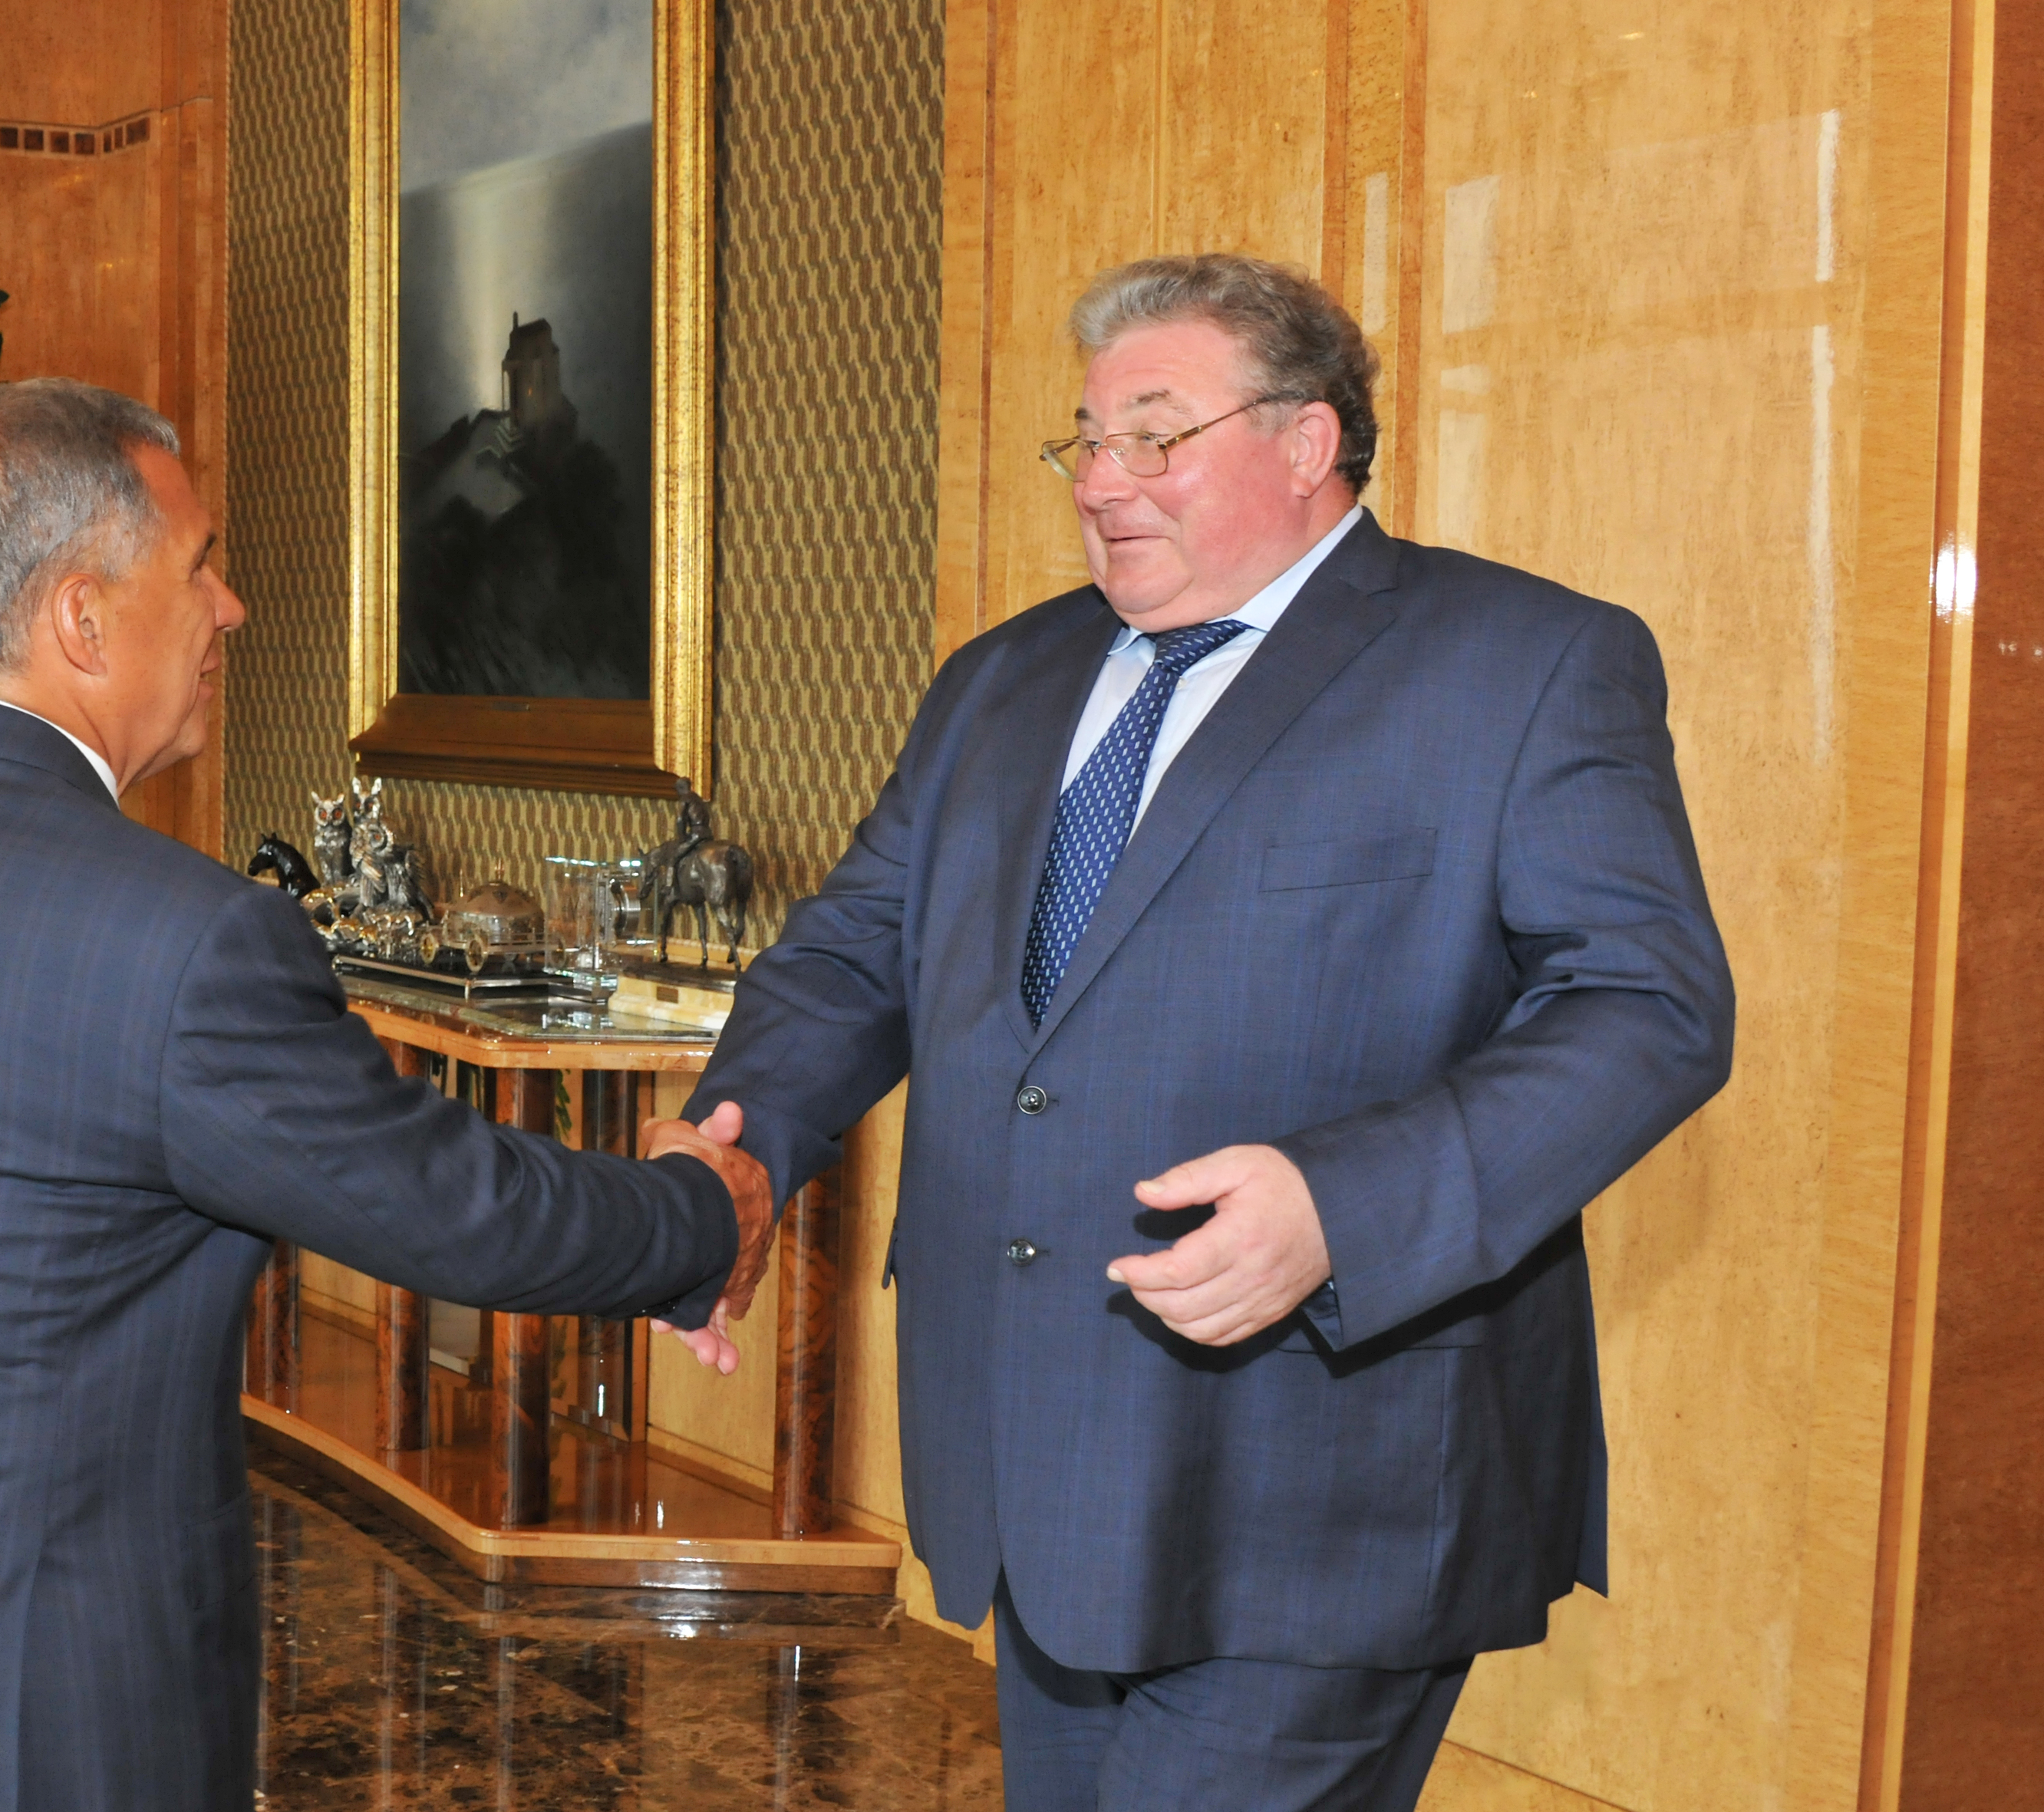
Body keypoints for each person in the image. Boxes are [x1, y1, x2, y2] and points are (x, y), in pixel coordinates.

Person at [667, 255, 1735, 1809]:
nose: (1101, 481)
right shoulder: (998, 680)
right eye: (1087, 439)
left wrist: (1343, 1207)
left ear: (1307, 441)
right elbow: (851, 955)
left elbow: (1647, 1005)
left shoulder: (1522, 663)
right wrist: (740, 1150)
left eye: (1154, 436)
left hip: (1324, 1475)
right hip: (1038, 1467)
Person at [0, 377, 775, 1812]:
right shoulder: (184, 942)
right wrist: (698, 1217)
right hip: (40, 1735)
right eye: (199, 565)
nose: (231, 609)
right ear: (82, 617)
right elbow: (455, 1207)